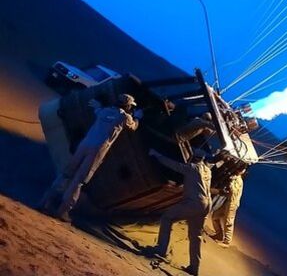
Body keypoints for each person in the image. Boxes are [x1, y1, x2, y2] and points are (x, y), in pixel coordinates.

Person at [41, 93, 140, 221]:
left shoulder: (104, 111)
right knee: (79, 180)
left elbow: (98, 110)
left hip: (85, 144)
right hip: (97, 149)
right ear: (127, 106)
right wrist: (137, 117)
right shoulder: (123, 116)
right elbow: (133, 126)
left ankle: (45, 201)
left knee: (66, 174)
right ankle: (62, 211)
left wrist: (98, 106)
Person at [147, 148, 213, 276]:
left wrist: (156, 154)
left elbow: (173, 165)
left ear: (193, 157)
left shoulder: (192, 168)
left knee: (167, 218)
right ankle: (194, 267)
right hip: (206, 205)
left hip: (194, 203)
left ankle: (161, 250)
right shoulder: (208, 171)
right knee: (196, 236)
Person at [210, 164, 246, 248]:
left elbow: (233, 191)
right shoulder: (234, 177)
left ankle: (227, 242)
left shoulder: (238, 180)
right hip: (228, 202)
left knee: (228, 222)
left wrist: (230, 182)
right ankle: (219, 234)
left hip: (232, 203)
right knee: (215, 216)